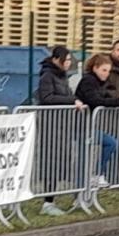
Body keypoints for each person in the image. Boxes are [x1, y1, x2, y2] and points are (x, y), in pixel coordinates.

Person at [35, 46, 85, 216]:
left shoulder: (62, 76)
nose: (69, 63)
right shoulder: (47, 76)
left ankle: (52, 200)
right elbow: (47, 98)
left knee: (59, 162)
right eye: (66, 59)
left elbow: (67, 94)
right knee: (50, 163)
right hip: (50, 126)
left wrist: (74, 99)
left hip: (62, 126)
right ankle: (47, 202)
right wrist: (71, 101)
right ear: (57, 59)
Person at [75, 54, 119, 188]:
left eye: (108, 71)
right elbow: (95, 100)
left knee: (111, 143)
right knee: (83, 158)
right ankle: (80, 191)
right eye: (104, 70)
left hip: (88, 126)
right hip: (79, 126)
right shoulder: (88, 81)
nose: (107, 74)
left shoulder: (99, 82)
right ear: (95, 68)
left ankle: (96, 175)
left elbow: (104, 97)